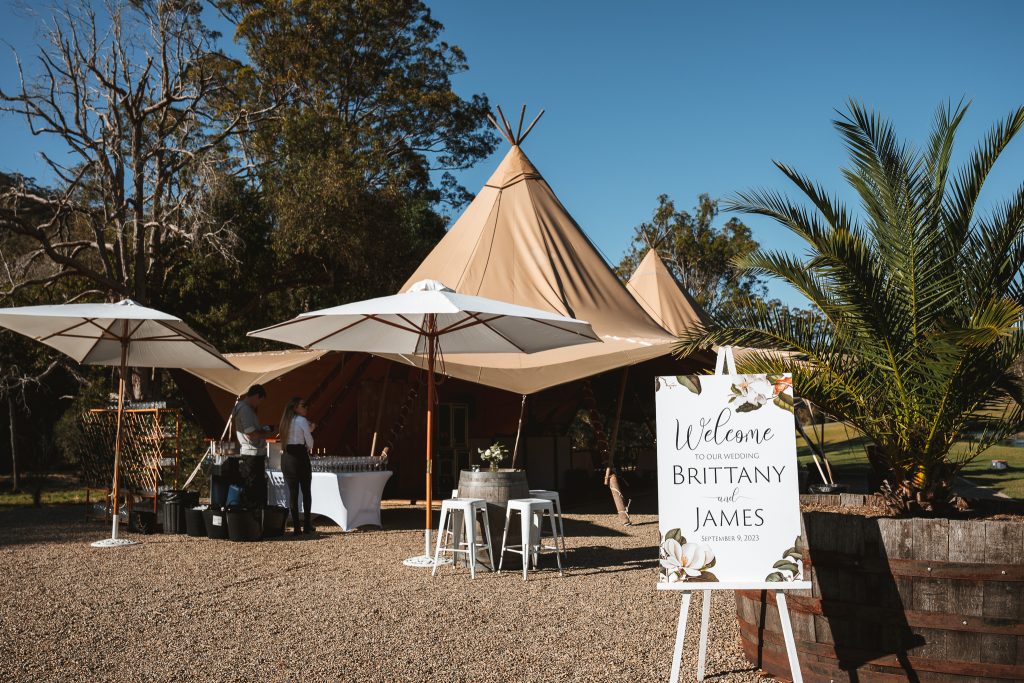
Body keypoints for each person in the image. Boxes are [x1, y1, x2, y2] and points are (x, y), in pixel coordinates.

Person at [278, 396, 316, 535]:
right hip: (300, 456)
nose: (306, 407)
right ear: (295, 408)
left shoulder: (285, 421)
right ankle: (307, 524)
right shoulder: (301, 420)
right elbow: (309, 441)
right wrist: (308, 446)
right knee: (306, 491)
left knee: (293, 494)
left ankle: (296, 527)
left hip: (287, 457)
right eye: (303, 405)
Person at [231, 384, 270, 507]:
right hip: (252, 454)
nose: (259, 405)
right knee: (254, 490)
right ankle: (253, 518)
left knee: (252, 489)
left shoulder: (241, 407)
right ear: (257, 396)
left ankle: (252, 518)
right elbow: (251, 434)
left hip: (250, 453)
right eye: (260, 401)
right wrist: (265, 431)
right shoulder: (246, 409)